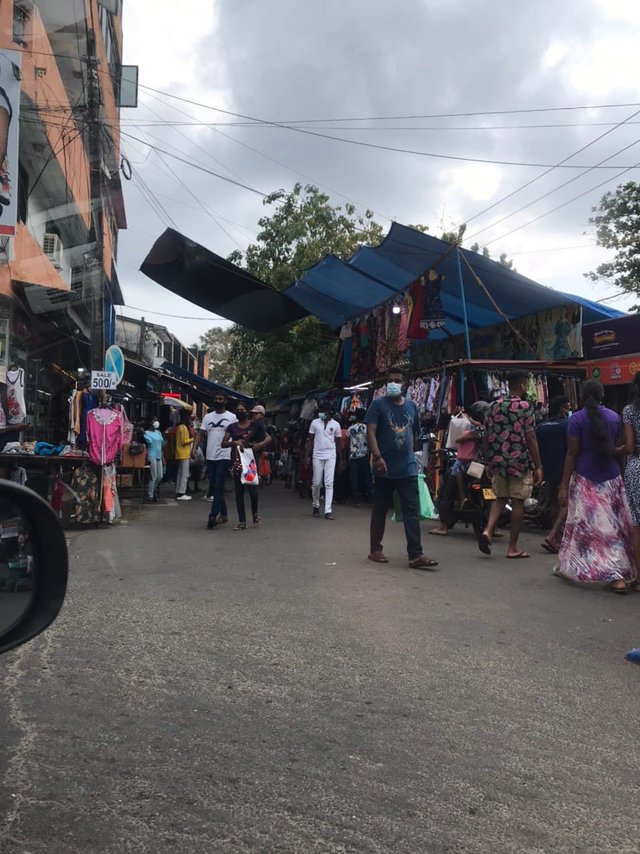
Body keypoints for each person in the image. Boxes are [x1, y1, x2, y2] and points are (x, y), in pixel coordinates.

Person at [556, 380, 636, 592]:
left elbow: (572, 453)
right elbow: (619, 449)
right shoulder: (614, 417)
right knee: (614, 528)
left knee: (586, 528)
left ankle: (612, 574)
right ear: (603, 396)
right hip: (612, 479)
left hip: (585, 480)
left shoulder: (577, 420)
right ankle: (613, 572)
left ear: (583, 397)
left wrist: (563, 485)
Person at [365, 367, 438, 569]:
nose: (393, 384)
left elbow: (414, 435)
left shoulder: (412, 407)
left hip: (407, 468)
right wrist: (377, 457)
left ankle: (415, 554)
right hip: (383, 467)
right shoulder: (377, 405)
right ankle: (375, 549)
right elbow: (370, 432)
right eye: (390, 380)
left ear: (404, 384)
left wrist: (413, 459)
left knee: (411, 511)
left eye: (397, 380)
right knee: (380, 509)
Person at [478, 373, 543, 558]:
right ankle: (512, 547)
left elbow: (486, 436)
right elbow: (530, 437)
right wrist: (538, 465)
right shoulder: (524, 407)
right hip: (519, 462)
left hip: (498, 461)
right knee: (517, 502)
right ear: (522, 386)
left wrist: (489, 461)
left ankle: (488, 530)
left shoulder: (492, 407)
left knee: (500, 498)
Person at [430, 400, 489, 537]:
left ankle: (444, 525)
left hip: (467, 464)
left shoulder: (476, 430)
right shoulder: (489, 429)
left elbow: (458, 439)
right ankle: (493, 527)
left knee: (447, 493)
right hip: (482, 467)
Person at [222, 403, 271, 530]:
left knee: (253, 491)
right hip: (237, 461)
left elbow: (268, 438)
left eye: (242, 409)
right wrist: (234, 442)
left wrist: (259, 445)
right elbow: (223, 443)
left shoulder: (255, 425)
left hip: (251, 462)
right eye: (237, 410)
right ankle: (242, 521)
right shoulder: (232, 427)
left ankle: (255, 513)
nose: (240, 411)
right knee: (239, 492)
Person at [192, 394, 237, 530]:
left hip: (224, 455)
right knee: (215, 486)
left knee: (217, 486)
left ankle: (213, 515)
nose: (218, 401)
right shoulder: (208, 417)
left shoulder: (232, 417)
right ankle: (224, 514)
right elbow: (200, 434)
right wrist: (194, 447)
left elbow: (235, 437)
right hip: (210, 456)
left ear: (225, 401)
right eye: (216, 399)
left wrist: (236, 456)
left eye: (220, 399)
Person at [536, 395, 570, 553]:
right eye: (567, 407)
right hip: (564, 470)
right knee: (567, 503)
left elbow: (537, 448)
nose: (569, 409)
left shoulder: (541, 426)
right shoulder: (567, 425)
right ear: (562, 408)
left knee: (555, 503)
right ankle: (553, 534)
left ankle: (556, 539)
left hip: (548, 469)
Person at [307, 402, 341, 519]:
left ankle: (328, 510)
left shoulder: (336, 425)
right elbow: (310, 440)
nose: (321, 413)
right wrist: (307, 455)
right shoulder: (314, 423)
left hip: (331, 455)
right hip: (317, 455)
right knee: (316, 483)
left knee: (329, 483)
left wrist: (341, 459)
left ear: (329, 412)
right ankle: (316, 505)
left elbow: (338, 443)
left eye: (323, 412)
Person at [624, 373, 640, 577]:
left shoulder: (629, 411)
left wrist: (617, 450)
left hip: (637, 466)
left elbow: (629, 447)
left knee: (637, 523)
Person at [347, 409, 373, 506]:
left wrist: (347, 455)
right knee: (368, 477)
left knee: (354, 478)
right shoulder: (367, 428)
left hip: (353, 456)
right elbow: (370, 442)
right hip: (364, 455)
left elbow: (347, 443)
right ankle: (371, 499)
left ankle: (355, 500)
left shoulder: (351, 428)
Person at [143, 417, 164, 503]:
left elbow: (163, 444)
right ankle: (150, 495)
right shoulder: (146, 433)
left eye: (156, 420)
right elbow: (148, 442)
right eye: (153, 420)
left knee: (160, 476)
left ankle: (153, 491)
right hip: (152, 455)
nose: (156, 422)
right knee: (153, 476)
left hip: (159, 455)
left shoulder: (158, 432)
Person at [174, 410, 194, 501]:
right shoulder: (183, 427)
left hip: (180, 453)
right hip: (184, 453)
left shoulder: (179, 427)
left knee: (180, 473)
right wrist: (192, 439)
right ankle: (182, 492)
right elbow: (184, 441)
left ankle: (179, 491)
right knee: (184, 474)